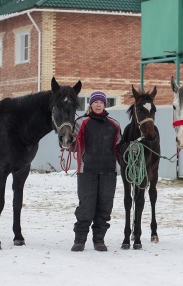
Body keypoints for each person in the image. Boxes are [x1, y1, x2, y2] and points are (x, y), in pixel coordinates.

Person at [70, 90, 127, 252]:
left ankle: (99, 240)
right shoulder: (82, 122)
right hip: (87, 170)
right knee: (86, 207)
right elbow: (72, 144)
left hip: (109, 172)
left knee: (104, 208)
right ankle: (79, 240)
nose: (98, 104)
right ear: (91, 104)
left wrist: (128, 150)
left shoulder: (114, 124)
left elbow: (119, 145)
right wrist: (67, 141)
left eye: (101, 102)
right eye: (95, 102)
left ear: (105, 104)